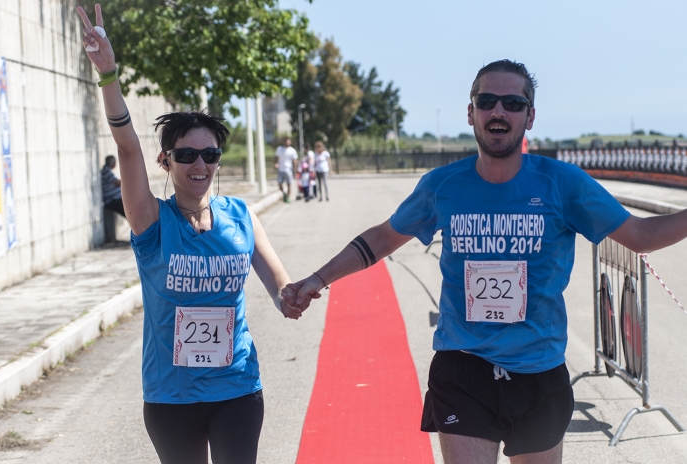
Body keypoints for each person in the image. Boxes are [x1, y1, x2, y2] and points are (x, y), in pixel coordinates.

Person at [285, 59, 687, 464]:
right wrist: (319, 277)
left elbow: (641, 235)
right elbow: (384, 236)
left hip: (538, 371)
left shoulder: (563, 184)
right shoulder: (443, 185)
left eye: (513, 103)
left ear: (529, 117)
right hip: (463, 369)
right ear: (471, 112)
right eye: (487, 100)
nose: (499, 111)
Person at [77, 6, 306, 464]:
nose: (200, 165)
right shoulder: (150, 221)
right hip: (170, 397)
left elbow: (280, 288)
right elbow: (126, 146)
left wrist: (295, 296)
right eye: (186, 154)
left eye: (210, 154)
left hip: (238, 388)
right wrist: (109, 76)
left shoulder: (242, 216)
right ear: (167, 162)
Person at [274, 137, 297, 203]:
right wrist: (276, 163)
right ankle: (284, 194)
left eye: (288, 141)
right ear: (284, 142)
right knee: (280, 184)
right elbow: (276, 157)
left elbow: (295, 161)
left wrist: (295, 170)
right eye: (286, 141)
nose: (287, 142)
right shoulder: (279, 149)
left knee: (289, 184)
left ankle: (288, 197)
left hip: (289, 169)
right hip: (281, 169)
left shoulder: (292, 150)